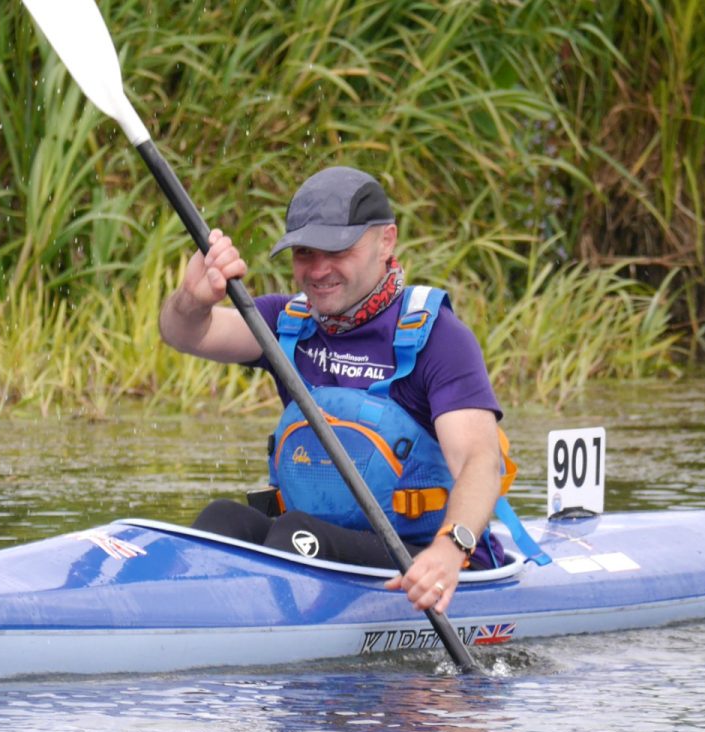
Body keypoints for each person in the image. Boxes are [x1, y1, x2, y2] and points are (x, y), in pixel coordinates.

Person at [159, 166, 517, 615]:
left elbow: (480, 461)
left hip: (421, 559)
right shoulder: (284, 323)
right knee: (221, 519)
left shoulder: (439, 337)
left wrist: (451, 548)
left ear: (386, 241)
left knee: (295, 534)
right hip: (310, 544)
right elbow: (185, 334)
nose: (318, 270)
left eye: (338, 250)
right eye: (304, 253)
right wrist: (193, 299)